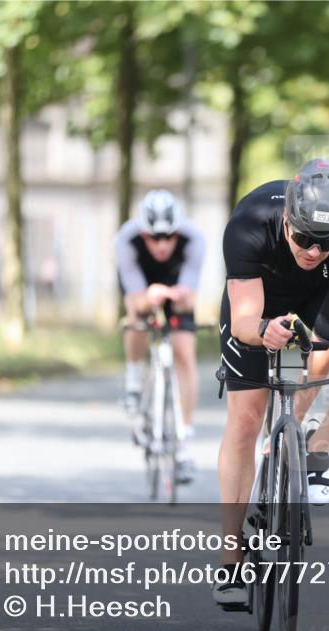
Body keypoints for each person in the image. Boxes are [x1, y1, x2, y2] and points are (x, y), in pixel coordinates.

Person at [211, 159, 329, 607]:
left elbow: (321, 346)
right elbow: (242, 320)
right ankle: (232, 554)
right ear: (287, 220)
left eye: (325, 243)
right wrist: (264, 332)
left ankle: (318, 445)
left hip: (323, 297)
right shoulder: (250, 222)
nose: (313, 251)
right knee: (244, 423)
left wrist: (294, 424)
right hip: (261, 302)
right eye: (303, 239)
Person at [114, 189, 205, 482]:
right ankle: (134, 378)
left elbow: (189, 299)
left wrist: (178, 295)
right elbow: (134, 300)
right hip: (142, 287)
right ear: (143, 234)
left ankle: (183, 441)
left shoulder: (194, 239)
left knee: (184, 352)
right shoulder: (126, 241)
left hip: (177, 287)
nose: (163, 244)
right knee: (137, 319)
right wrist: (149, 297)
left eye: (170, 237)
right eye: (155, 238)